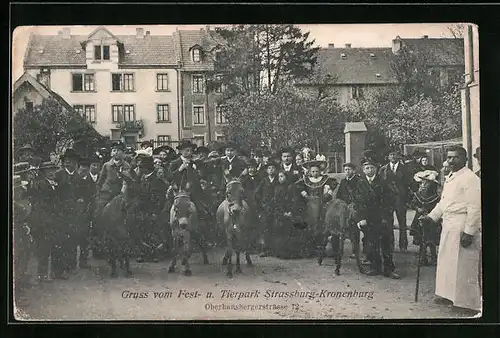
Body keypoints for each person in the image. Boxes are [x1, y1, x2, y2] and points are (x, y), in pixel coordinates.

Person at [420, 146, 481, 314]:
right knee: (447, 261)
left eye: (455, 158)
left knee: (463, 264)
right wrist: (431, 217)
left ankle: (466, 303)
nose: (451, 161)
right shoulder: (451, 177)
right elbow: (443, 203)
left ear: (465, 159)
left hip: (462, 224)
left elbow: (475, 207)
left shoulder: (470, 179)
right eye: (449, 158)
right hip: (448, 224)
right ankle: (447, 294)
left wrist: (469, 231)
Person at [354, 157, 400, 279]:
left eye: (372, 167)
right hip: (368, 219)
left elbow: (389, 201)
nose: (370, 170)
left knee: (386, 244)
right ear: (363, 170)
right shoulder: (360, 184)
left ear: (376, 169)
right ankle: (376, 267)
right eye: (367, 168)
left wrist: (386, 216)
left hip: (383, 218)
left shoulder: (384, 182)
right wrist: (361, 218)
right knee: (372, 243)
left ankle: (389, 269)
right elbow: (358, 203)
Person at [126, 155, 168, 263]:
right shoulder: (141, 178)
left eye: (141, 167)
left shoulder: (156, 181)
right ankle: (142, 252)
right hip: (142, 209)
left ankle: (155, 253)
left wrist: (155, 212)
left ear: (146, 168)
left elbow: (160, 199)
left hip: (154, 211)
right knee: (137, 227)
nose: (139, 169)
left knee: (153, 230)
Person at [52, 148, 85, 278]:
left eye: (71, 162)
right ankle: (57, 270)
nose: (68, 164)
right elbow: (54, 193)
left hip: (74, 213)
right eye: (66, 161)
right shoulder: (58, 175)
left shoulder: (78, 177)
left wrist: (80, 200)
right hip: (60, 212)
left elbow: (82, 193)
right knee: (59, 241)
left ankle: (69, 266)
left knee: (72, 239)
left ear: (76, 163)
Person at [296, 158, 338, 258]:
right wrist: (305, 195)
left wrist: (327, 193)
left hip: (321, 205)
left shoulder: (325, 180)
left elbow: (330, 190)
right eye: (313, 171)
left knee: (321, 225)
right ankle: (310, 248)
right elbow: (300, 188)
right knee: (309, 224)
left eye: (317, 171)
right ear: (309, 172)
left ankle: (321, 247)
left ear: (320, 171)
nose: (315, 173)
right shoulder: (305, 180)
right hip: (309, 206)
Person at [29, 161, 59, 281]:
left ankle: (45, 273)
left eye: (53, 170)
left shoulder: (53, 184)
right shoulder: (41, 184)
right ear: (43, 172)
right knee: (44, 248)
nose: (51, 172)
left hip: (50, 219)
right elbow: (42, 204)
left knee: (48, 247)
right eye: (48, 170)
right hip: (44, 220)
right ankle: (42, 274)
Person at [379, 149, 411, 252]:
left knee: (402, 222)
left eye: (394, 155)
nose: (392, 156)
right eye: (390, 155)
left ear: (398, 156)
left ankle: (403, 245)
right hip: (387, 199)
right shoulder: (383, 169)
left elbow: (409, 185)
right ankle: (390, 245)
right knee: (388, 223)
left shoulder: (405, 169)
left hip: (400, 199)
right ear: (388, 157)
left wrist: (406, 200)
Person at [408, 170, 441, 266]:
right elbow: (413, 203)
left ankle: (434, 257)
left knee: (431, 238)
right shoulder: (418, 194)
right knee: (422, 238)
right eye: (422, 182)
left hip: (431, 218)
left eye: (426, 182)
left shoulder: (435, 196)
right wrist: (418, 209)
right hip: (420, 217)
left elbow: (438, 206)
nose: (424, 184)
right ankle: (423, 257)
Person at [335, 162, 364, 259]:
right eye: (346, 170)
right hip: (344, 208)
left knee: (354, 230)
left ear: (354, 170)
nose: (347, 171)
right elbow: (339, 195)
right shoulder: (343, 181)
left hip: (355, 208)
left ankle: (355, 252)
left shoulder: (359, 181)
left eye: (349, 169)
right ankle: (340, 250)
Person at [95, 141, 131, 217]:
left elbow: (126, 182)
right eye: (114, 150)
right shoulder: (107, 165)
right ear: (111, 153)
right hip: (105, 194)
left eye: (119, 150)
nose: (116, 152)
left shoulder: (126, 166)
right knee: (99, 212)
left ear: (123, 153)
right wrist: (98, 193)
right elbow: (100, 181)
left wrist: (122, 194)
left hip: (118, 194)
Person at [13, 174, 33, 307]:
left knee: (21, 261)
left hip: (20, 234)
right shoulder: (17, 206)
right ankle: (17, 293)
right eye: (18, 189)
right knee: (19, 262)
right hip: (17, 236)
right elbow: (25, 213)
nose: (21, 191)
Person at [273, 170, 301, 259]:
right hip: (280, 212)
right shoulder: (277, 188)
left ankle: (292, 252)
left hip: (291, 212)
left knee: (291, 231)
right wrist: (282, 212)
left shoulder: (292, 187)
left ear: (286, 177)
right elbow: (277, 202)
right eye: (279, 177)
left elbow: (296, 200)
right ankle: (282, 252)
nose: (280, 178)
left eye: (282, 176)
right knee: (281, 231)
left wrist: (291, 211)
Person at [254, 161, 279, 257]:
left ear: (276, 170)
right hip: (266, 207)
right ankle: (265, 249)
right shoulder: (264, 181)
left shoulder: (278, 180)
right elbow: (257, 193)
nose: (271, 170)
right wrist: (262, 203)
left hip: (276, 207)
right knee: (265, 227)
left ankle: (275, 249)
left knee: (275, 227)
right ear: (266, 170)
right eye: (269, 168)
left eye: (273, 168)